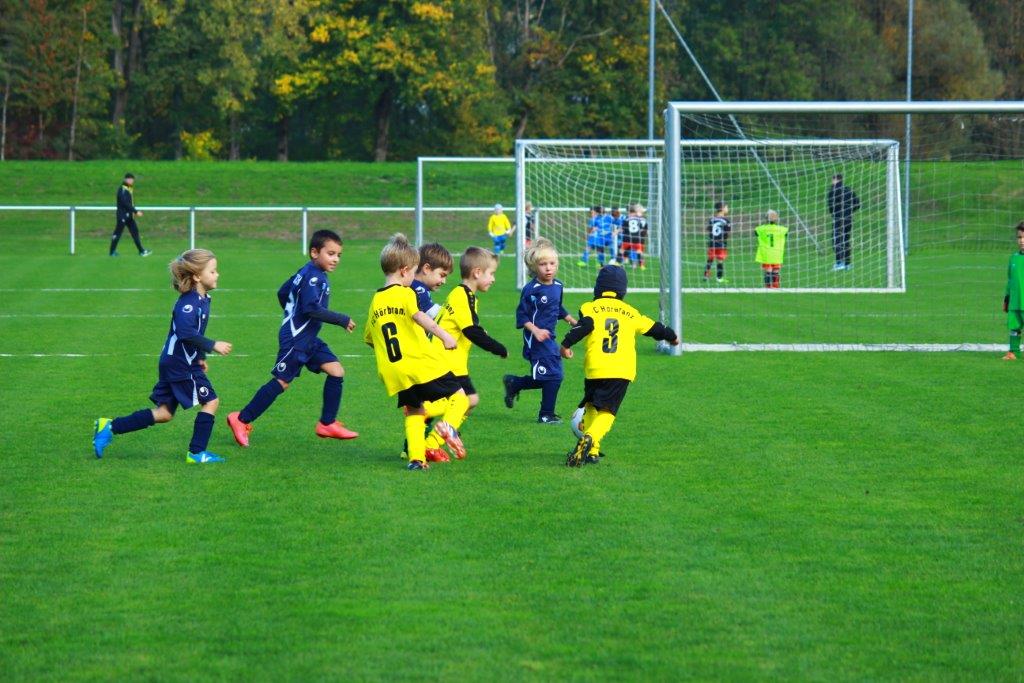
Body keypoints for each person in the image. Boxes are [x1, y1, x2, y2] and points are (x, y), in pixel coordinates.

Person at [92, 249, 233, 463]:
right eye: (212, 271)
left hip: (176, 361)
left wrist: (200, 356)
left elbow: (195, 332)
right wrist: (213, 345)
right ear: (197, 276)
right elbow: (186, 332)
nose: (217, 274)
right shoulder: (189, 303)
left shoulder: (202, 299)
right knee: (211, 401)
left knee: (164, 413)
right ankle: (196, 453)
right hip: (180, 364)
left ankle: (109, 427)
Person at [226, 229, 358, 447]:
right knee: (282, 382)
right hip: (296, 339)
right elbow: (311, 308)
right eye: (331, 254)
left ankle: (327, 423)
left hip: (308, 338)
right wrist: (341, 319)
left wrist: (291, 313)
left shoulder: (306, 271)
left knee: (336, 371)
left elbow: (283, 292)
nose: (336, 259)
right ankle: (241, 419)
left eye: (338, 255)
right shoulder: (314, 277)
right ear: (314, 252)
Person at [364, 233, 471, 471]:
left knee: (415, 410)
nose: (414, 277)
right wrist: (444, 336)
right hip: (420, 362)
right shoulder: (406, 293)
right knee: (460, 398)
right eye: (413, 272)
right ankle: (448, 428)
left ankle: (416, 459)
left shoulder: (375, 301)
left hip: (394, 371)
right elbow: (420, 316)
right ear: (404, 271)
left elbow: (370, 338)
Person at [559, 264, 679, 466]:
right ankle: (590, 439)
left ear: (598, 289)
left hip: (595, 368)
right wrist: (672, 337)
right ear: (623, 290)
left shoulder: (589, 307)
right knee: (608, 411)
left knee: (591, 405)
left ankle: (592, 451)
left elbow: (584, 326)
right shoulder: (631, 312)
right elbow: (655, 328)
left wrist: (565, 345)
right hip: (621, 370)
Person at [421, 247, 507, 461]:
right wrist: (497, 347)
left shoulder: (465, 295)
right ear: (477, 272)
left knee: (471, 400)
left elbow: (467, 325)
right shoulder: (462, 295)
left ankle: (440, 434)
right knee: (462, 401)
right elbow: (470, 331)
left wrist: (480, 331)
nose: (493, 279)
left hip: (454, 362)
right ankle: (427, 422)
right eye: (491, 273)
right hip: (446, 361)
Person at [504, 238, 577, 424]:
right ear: (534, 267)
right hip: (535, 340)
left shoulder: (558, 286)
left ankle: (515, 383)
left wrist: (569, 319)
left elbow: (557, 307)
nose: (548, 268)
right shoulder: (531, 289)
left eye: (552, 263)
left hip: (549, 338)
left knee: (548, 376)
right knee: (555, 375)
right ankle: (546, 414)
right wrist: (535, 330)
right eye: (543, 264)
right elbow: (522, 315)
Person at [110, 172, 151, 257]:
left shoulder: (128, 189)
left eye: (132, 180)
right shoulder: (122, 189)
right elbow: (125, 203)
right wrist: (135, 211)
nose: (132, 181)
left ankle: (141, 251)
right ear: (126, 180)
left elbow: (129, 203)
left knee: (135, 232)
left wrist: (133, 212)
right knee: (118, 233)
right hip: (122, 216)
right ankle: (112, 251)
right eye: (130, 179)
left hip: (129, 216)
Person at [827, 173, 860, 271]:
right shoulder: (849, 190)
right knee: (846, 240)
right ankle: (847, 264)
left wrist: (835, 214)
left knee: (837, 240)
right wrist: (849, 211)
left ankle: (839, 263)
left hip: (838, 219)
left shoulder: (833, 191)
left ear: (834, 179)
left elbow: (831, 206)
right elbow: (857, 204)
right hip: (848, 219)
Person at [411, 242, 453, 319]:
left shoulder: (414, 285)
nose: (444, 281)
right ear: (426, 269)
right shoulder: (419, 290)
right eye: (442, 275)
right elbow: (432, 313)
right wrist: (453, 313)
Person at [1002, 222, 1024, 360]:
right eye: (1019, 237)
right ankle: (1013, 352)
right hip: (1015, 301)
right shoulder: (1013, 258)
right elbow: (1010, 280)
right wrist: (1007, 298)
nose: (1022, 241)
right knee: (1014, 326)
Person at [755, 210, 789, 288]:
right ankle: (776, 286)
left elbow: (756, 232)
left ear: (766, 218)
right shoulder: (782, 229)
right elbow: (786, 234)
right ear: (776, 219)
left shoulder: (760, 229)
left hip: (766, 254)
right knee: (776, 271)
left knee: (768, 271)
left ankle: (768, 287)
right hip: (777, 254)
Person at [703, 201, 732, 283]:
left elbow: (709, 230)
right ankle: (719, 278)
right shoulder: (726, 221)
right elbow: (727, 233)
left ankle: (706, 276)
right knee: (720, 260)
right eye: (726, 207)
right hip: (721, 243)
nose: (727, 209)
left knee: (710, 259)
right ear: (722, 209)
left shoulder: (712, 220)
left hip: (712, 243)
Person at [621, 203, 648, 270]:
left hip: (634, 237)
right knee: (636, 251)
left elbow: (645, 229)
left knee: (634, 251)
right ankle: (638, 264)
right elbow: (645, 229)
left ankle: (636, 264)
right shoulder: (642, 219)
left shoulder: (631, 218)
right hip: (638, 237)